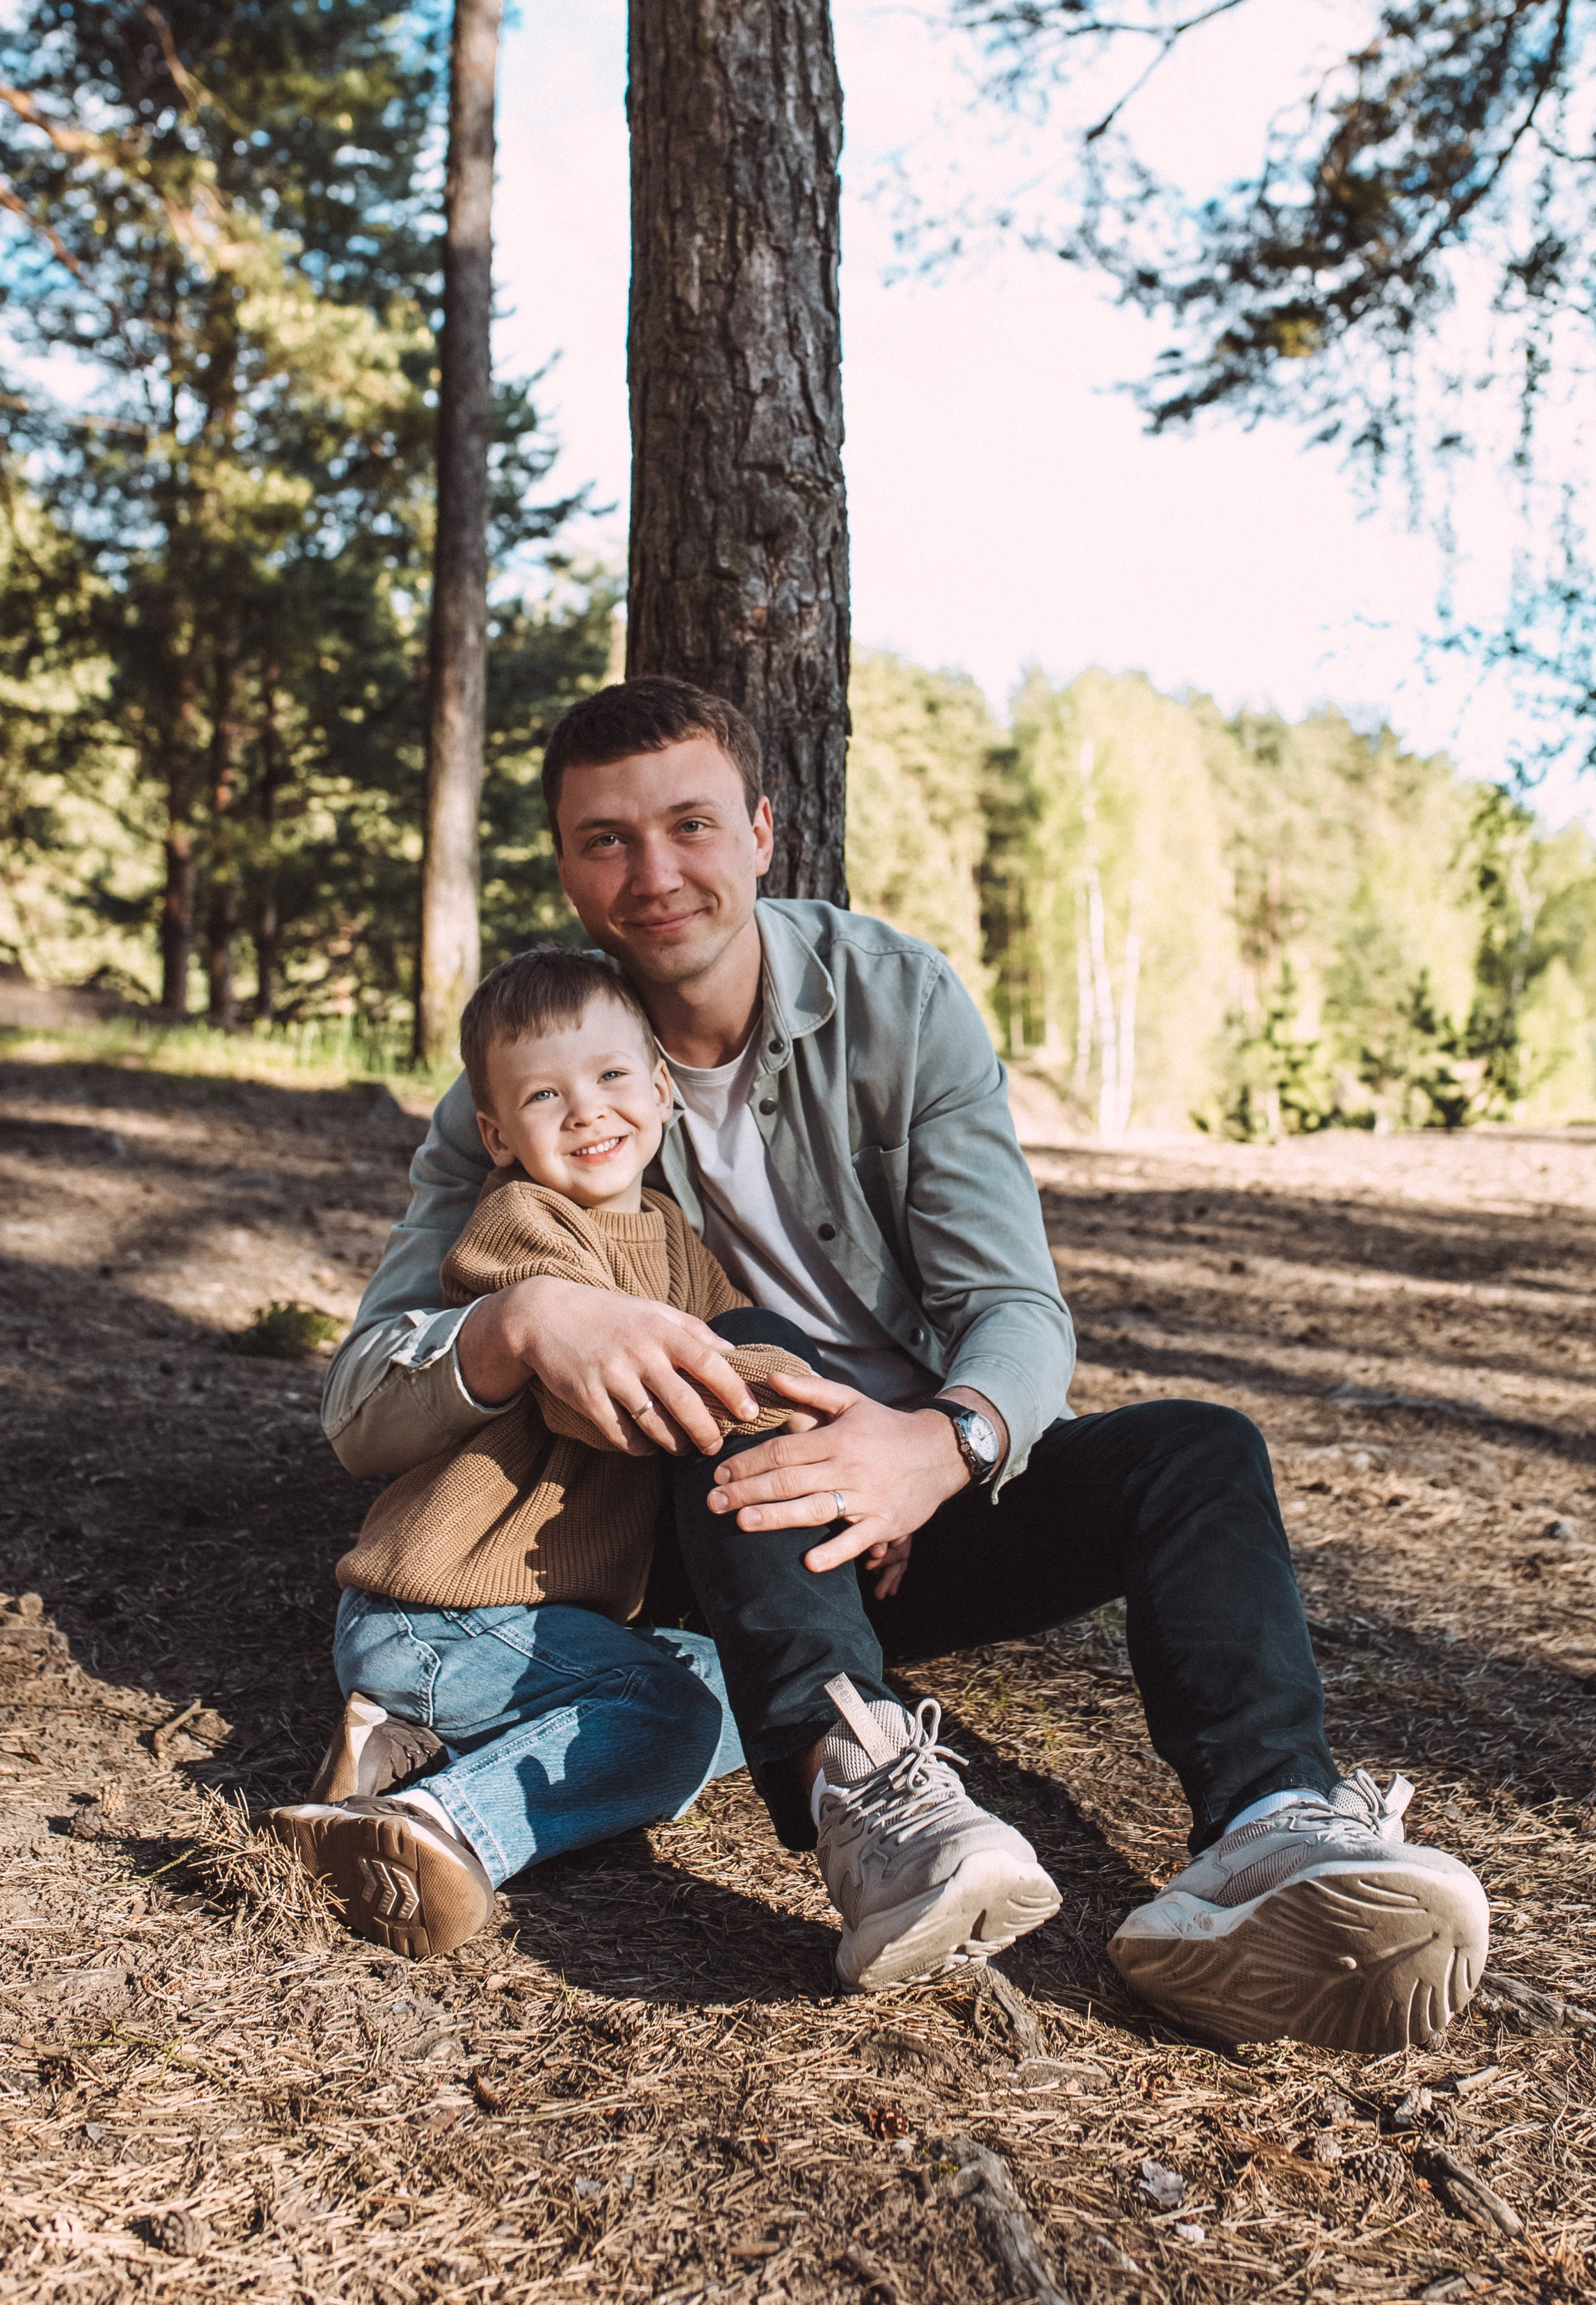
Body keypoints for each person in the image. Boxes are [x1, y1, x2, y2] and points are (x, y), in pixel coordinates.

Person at [302, 675, 1489, 2046]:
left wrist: (933, 1450)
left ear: (761, 827)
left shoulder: (897, 1003)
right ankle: (867, 1802)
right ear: (566, 867)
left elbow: (1019, 1315)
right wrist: (515, 1328)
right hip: (700, 1529)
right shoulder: (532, 1078)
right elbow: (362, 1400)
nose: (653, 875)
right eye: (604, 841)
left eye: (688, 826)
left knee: (1197, 1452)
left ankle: (1271, 1841)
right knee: (743, 1354)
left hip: (907, 1506)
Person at [266, 944, 818, 1959]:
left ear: (660, 1090)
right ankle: (435, 1827)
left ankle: (397, 1746)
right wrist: (779, 1395)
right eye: (545, 1095)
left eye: (612, 1078)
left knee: (765, 1680)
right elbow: (603, 1402)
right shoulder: (520, 1229)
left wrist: (832, 1436)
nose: (587, 1111)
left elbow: (739, 1348)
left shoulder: (677, 1243)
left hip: (539, 1625)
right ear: (497, 1135)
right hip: (439, 1615)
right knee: (673, 1717)